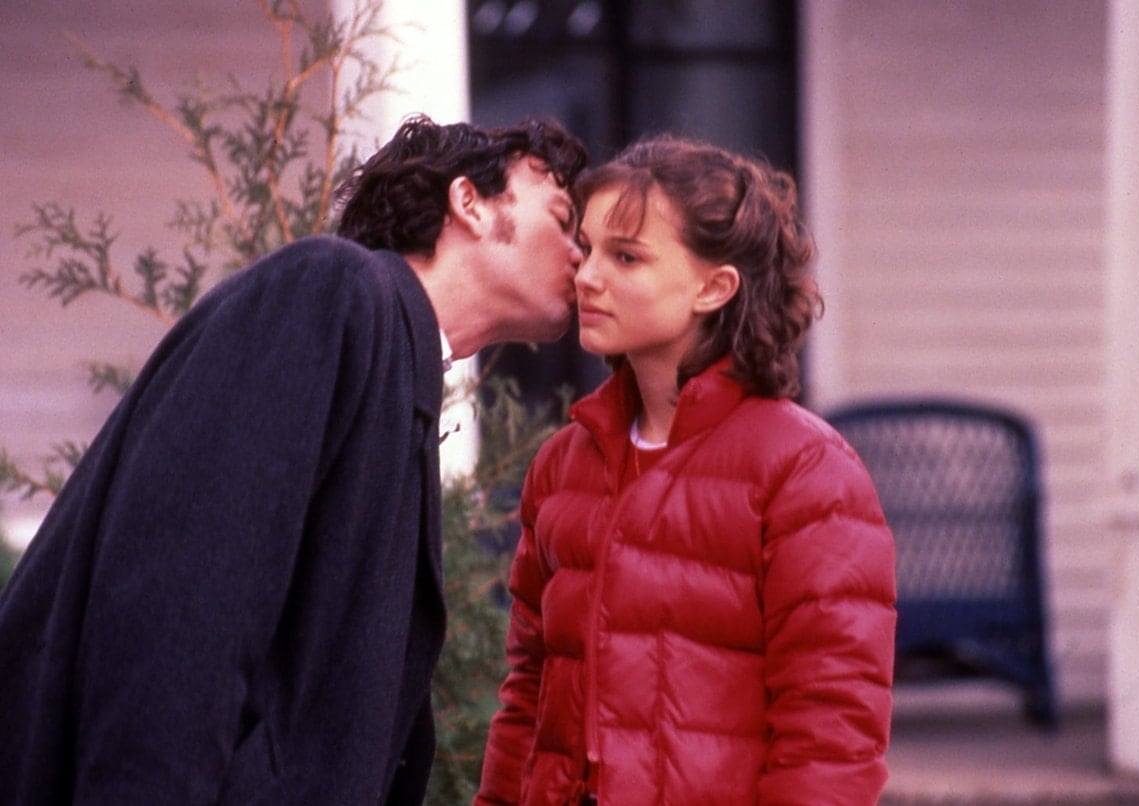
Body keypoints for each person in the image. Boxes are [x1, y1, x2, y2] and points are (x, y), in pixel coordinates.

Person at [0, 113, 587, 805]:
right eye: (562, 218)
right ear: (469, 203)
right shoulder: (330, 291)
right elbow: (181, 598)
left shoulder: (397, 358)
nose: (580, 253)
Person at [475, 134, 897, 806]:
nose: (586, 275)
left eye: (627, 256)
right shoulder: (563, 465)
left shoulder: (806, 472)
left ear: (714, 286)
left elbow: (831, 735)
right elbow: (529, 691)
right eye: (588, 249)